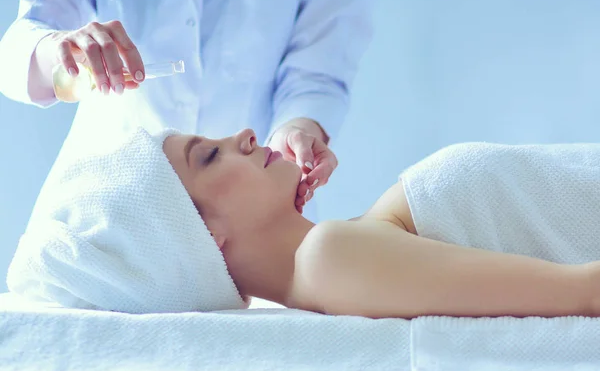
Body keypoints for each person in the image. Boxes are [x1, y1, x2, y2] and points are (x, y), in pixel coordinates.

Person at [7, 126, 600, 318]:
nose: (240, 133)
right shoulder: (331, 258)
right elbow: (583, 293)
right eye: (208, 156)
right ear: (200, 238)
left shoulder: (344, 248)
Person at [0, 0, 376, 218]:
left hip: (249, 224)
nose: (245, 137)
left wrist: (298, 128)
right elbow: (16, 52)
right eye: (208, 154)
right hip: (110, 206)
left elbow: (318, 72)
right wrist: (59, 51)